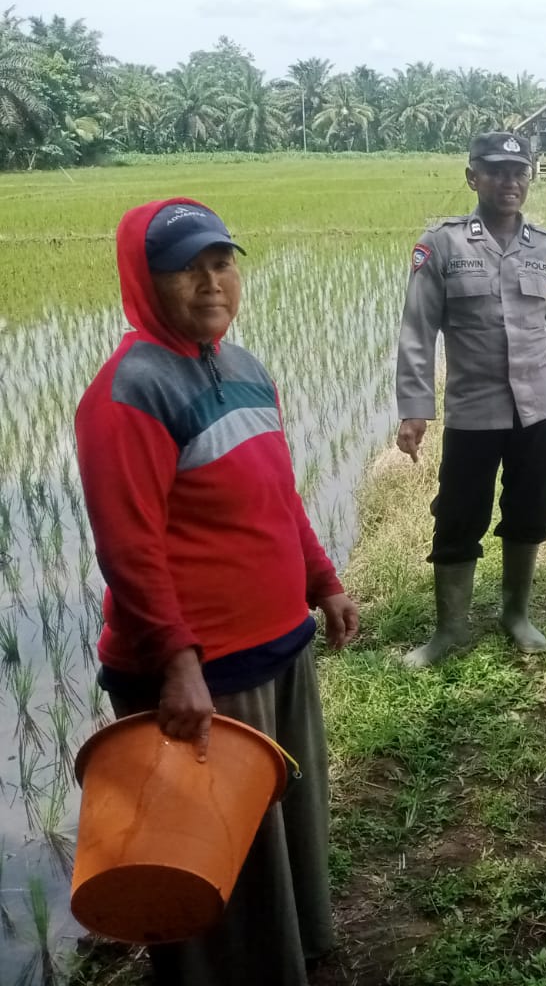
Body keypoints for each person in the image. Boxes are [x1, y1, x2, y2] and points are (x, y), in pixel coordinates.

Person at [75, 199, 359, 986]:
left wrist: (323, 582)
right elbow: (128, 548)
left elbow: (278, 495)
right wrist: (177, 661)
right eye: (185, 268)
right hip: (203, 674)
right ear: (145, 277)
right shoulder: (129, 392)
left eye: (222, 262)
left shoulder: (245, 368)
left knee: (282, 832)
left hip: (277, 646)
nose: (210, 282)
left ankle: (298, 957)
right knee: (202, 850)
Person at [395, 130, 546, 668]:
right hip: (473, 410)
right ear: (472, 176)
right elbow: (418, 330)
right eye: (496, 171)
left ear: (529, 177)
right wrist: (414, 409)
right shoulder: (442, 245)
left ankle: (515, 613)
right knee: (459, 513)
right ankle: (450, 629)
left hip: (539, 409)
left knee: (532, 506)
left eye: (518, 171)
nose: (509, 181)